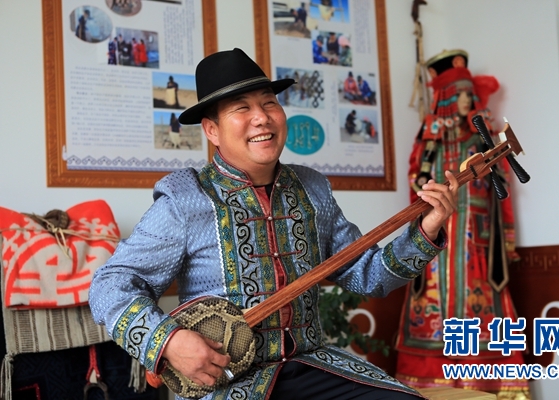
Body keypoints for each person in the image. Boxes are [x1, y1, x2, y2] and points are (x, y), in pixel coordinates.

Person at [89, 48, 458, 400]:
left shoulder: (312, 188)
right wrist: (168, 341)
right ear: (212, 130)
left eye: (269, 103)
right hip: (229, 382)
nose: (262, 117)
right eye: (242, 108)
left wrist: (426, 229)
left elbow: (368, 275)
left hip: (312, 364)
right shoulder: (185, 200)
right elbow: (109, 285)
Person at [394, 49, 531, 400]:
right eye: (460, 95)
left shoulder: (482, 136)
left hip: (476, 239)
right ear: (445, 98)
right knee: (434, 308)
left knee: (482, 306)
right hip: (438, 240)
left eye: (470, 94)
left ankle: (490, 385)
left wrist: (506, 236)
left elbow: (503, 188)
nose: (467, 101)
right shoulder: (430, 137)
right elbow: (416, 179)